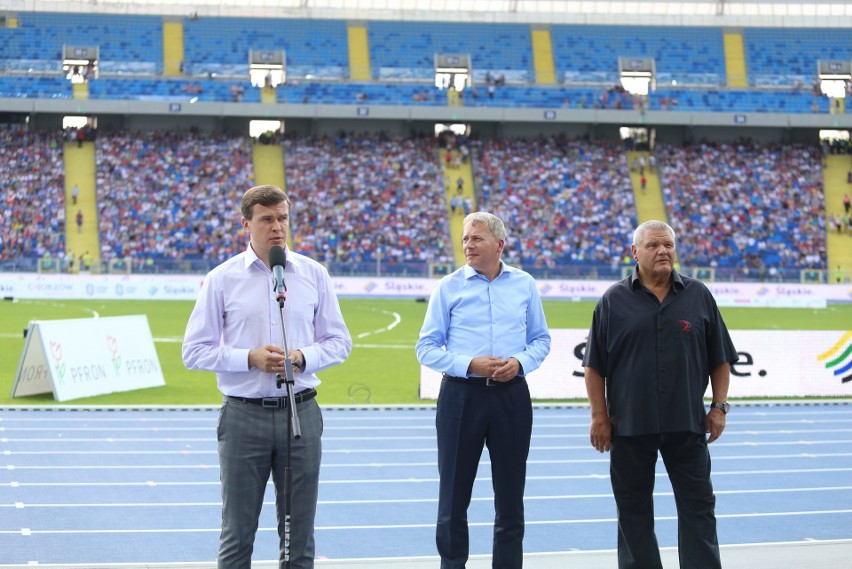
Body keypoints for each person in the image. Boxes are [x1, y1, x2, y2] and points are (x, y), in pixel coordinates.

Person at [182, 184, 352, 569]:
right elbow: (193, 351)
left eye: (282, 218)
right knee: (237, 533)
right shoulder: (222, 278)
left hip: (302, 414)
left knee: (298, 535)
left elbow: (340, 341)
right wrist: (249, 358)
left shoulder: (313, 274)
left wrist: (303, 357)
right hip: (243, 416)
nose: (277, 227)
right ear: (246, 224)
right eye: (266, 219)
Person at [582, 220, 738, 569]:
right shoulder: (613, 300)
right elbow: (594, 366)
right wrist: (599, 417)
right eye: (653, 245)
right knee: (633, 512)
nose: (663, 251)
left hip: (687, 423)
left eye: (668, 244)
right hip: (629, 426)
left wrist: (719, 407)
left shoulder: (698, 295)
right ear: (635, 253)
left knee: (699, 508)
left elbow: (721, 357)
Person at [416, 211, 551, 569]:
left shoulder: (524, 284)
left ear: (499, 244)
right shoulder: (448, 287)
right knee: (453, 497)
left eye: (476, 239)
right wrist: (468, 364)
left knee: (510, 497)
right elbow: (426, 347)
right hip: (462, 397)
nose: (468, 245)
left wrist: (520, 363)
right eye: (464, 239)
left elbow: (540, 340)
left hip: (512, 397)